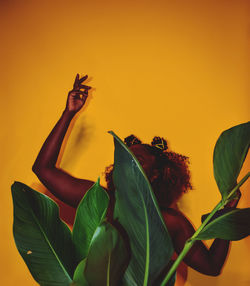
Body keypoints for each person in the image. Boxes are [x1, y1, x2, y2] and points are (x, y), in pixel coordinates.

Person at [32, 74, 240, 279]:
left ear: (156, 174)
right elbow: (43, 169)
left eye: (137, 159)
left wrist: (226, 216)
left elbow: (211, 267)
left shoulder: (171, 221)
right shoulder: (100, 200)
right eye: (125, 158)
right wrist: (68, 114)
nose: (128, 162)